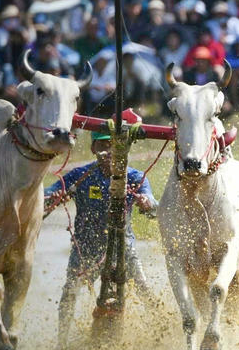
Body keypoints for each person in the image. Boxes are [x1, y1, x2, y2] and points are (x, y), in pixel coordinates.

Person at [44, 112, 158, 337]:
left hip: (123, 248)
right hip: (85, 247)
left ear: (123, 147)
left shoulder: (134, 177)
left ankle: (158, 333)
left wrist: (146, 204)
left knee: (144, 288)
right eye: (103, 145)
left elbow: (154, 206)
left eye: (114, 145)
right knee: (70, 292)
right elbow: (47, 195)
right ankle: (62, 342)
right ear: (93, 148)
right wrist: (54, 197)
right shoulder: (80, 175)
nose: (108, 152)